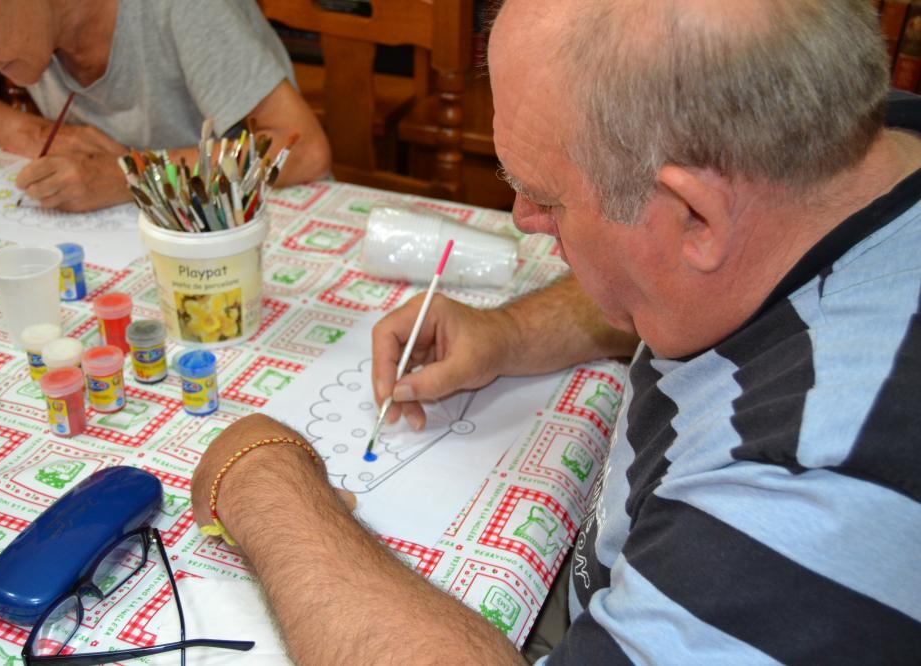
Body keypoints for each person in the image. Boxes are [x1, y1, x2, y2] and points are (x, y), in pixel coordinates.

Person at [192, 0, 921, 662]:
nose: (521, 222)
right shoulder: (855, 145)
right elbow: (679, 263)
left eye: (545, 198)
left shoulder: (815, 482)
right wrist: (508, 332)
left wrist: (266, 483)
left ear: (694, 217)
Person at [0, 0, 330, 212]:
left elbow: (305, 151)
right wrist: (47, 135)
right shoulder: (0, 25)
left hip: (235, 234)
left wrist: (135, 179)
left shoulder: (183, 8)